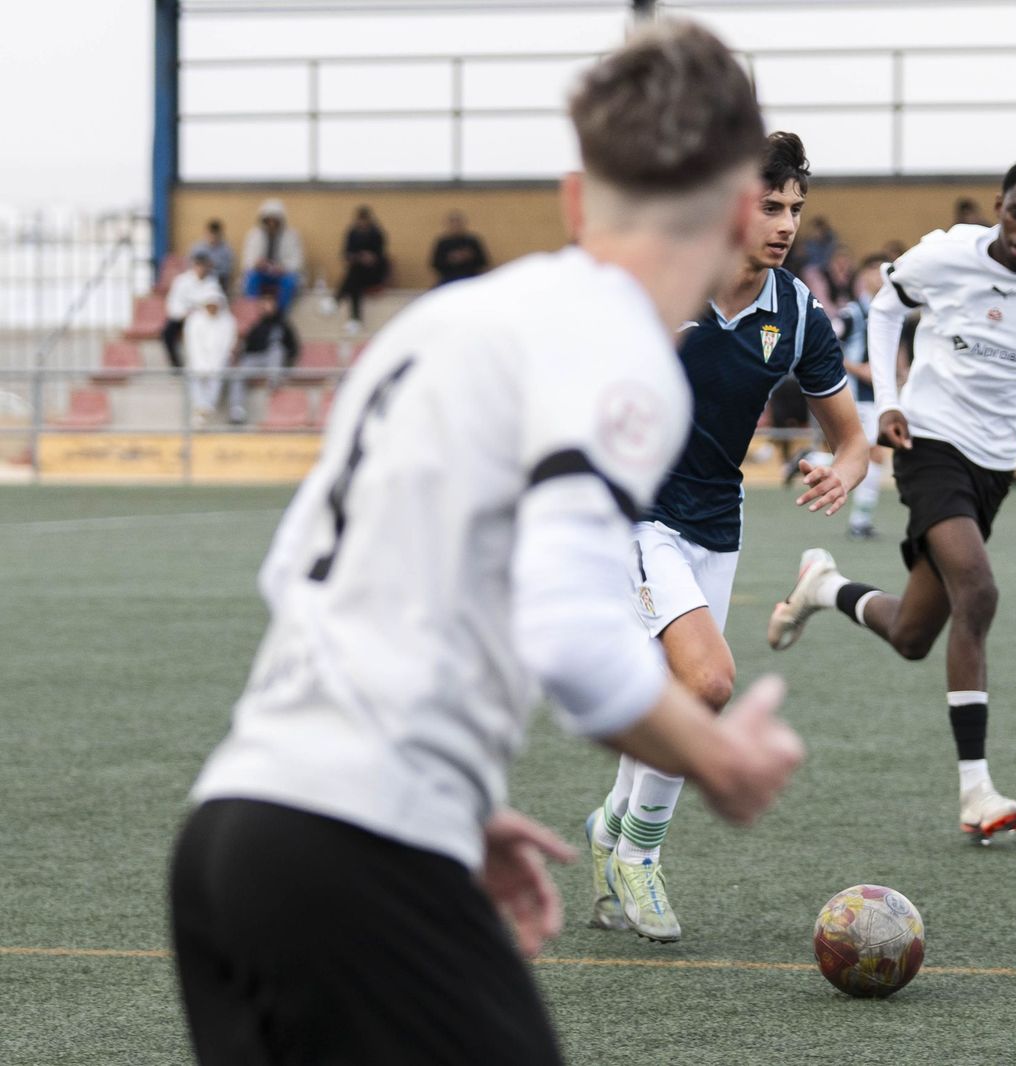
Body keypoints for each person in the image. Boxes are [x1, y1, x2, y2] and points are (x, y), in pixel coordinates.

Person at [168, 22, 802, 1066]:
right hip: (354, 856)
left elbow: (296, 574)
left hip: (232, 831)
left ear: (572, 197)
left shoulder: (443, 322)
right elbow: (570, 630)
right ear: (743, 209)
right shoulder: (623, 351)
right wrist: (716, 761)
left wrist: (458, 803)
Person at [767, 156, 1016, 843]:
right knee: (979, 590)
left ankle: (823, 588)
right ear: (999, 205)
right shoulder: (944, 255)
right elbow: (885, 307)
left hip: (993, 466)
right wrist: (887, 402)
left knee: (913, 636)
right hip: (928, 443)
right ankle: (976, 791)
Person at [582, 131, 868, 944]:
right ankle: (639, 853)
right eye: (770, 207)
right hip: (635, 514)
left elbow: (849, 436)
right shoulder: (661, 286)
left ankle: (610, 826)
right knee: (708, 685)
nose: (784, 224)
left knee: (676, 695)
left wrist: (845, 469)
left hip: (718, 520)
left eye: (796, 210)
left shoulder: (799, 311)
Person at [837, 251, 894, 539]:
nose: (877, 278)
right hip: (856, 395)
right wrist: (858, 369)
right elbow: (826, 344)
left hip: (879, 396)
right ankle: (859, 521)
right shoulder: (852, 313)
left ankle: (860, 522)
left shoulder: (888, 310)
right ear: (863, 277)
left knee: (875, 456)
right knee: (869, 454)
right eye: (872, 271)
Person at [226, 291, 299, 425]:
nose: (267, 306)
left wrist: (288, 364)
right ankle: (236, 410)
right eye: (264, 303)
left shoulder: (283, 324)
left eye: (270, 303)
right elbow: (248, 346)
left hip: (273, 361)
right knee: (238, 373)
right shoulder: (257, 325)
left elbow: (293, 347)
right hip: (255, 359)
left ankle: (273, 380)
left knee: (277, 349)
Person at [183, 284, 235, 425]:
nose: (212, 308)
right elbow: (193, 345)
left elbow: (227, 346)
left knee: (218, 376)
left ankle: (204, 408)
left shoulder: (228, 321)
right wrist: (201, 364)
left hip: (218, 361)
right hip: (198, 360)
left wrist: (214, 364)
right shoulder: (194, 320)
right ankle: (201, 407)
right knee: (193, 376)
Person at [335, 205, 391, 334]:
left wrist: (371, 258)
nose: (361, 223)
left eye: (364, 220)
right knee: (355, 278)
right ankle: (355, 319)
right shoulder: (352, 233)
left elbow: (381, 257)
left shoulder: (377, 234)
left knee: (355, 275)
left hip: (373, 273)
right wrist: (354, 257)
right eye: (359, 220)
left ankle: (337, 299)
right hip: (357, 272)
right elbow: (345, 253)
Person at [242, 199, 305, 310]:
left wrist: (283, 267)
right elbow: (247, 261)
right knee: (251, 278)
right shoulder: (254, 235)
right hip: (261, 272)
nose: (271, 224)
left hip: (282, 274)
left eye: (274, 220)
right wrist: (256, 263)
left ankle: (279, 314)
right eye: (268, 220)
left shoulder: (292, 235)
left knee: (289, 282)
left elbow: (298, 261)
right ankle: (253, 312)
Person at [162, 251, 216, 371]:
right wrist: (183, 314)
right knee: (167, 333)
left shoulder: (212, 282)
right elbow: (173, 301)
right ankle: (176, 366)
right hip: (182, 317)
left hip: (204, 320)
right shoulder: (181, 280)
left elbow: (214, 304)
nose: (201, 269)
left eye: (203, 266)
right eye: (198, 265)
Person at [430, 210, 490, 286]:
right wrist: (450, 259)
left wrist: (469, 257)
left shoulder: (472, 241)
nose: (456, 226)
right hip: (448, 278)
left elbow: (483, 261)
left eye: (458, 223)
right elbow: (435, 263)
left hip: (470, 277)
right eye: (453, 223)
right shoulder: (442, 243)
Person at [189, 220, 236, 294]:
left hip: (218, 278)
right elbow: (189, 264)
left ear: (220, 235)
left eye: (215, 236)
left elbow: (228, 269)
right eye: (210, 235)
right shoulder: (197, 247)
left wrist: (212, 266)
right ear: (206, 233)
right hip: (198, 277)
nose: (213, 238)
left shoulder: (226, 249)